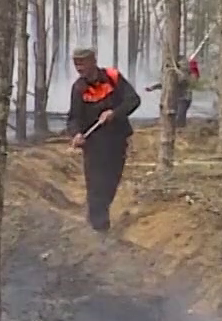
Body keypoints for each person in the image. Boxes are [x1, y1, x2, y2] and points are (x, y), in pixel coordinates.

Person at [66, 48, 141, 233]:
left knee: (110, 184)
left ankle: (99, 217)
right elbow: (73, 118)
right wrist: (76, 133)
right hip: (94, 145)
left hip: (116, 141)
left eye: (82, 63)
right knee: (95, 186)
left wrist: (114, 113)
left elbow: (133, 100)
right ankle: (98, 229)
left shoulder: (113, 77)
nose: (79, 68)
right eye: (76, 64)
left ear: (93, 61)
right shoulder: (78, 88)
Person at [144, 57, 200, 127]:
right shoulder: (173, 74)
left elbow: (182, 80)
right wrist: (152, 88)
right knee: (172, 117)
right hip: (174, 99)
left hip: (184, 99)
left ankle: (180, 131)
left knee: (180, 117)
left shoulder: (184, 75)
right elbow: (165, 84)